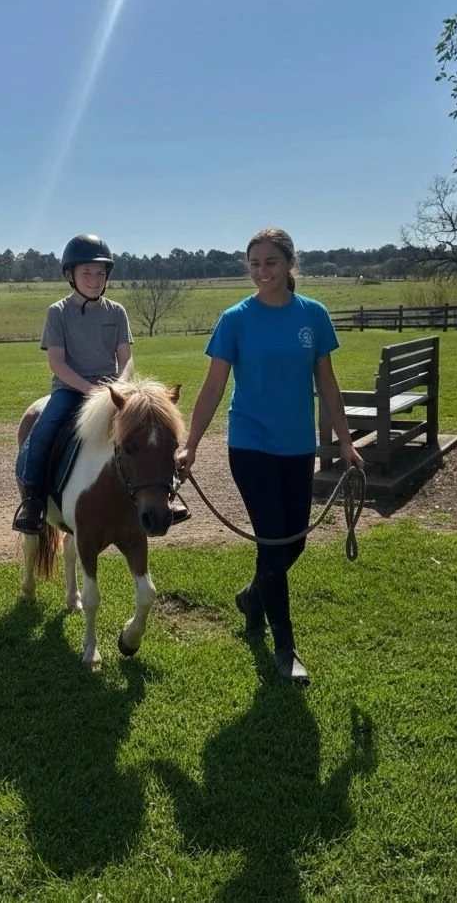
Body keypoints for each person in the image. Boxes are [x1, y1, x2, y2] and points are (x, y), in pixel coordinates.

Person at [174, 227, 363, 684]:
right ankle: (285, 646)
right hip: (250, 444)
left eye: (271, 263)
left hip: (298, 445)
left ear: (289, 264)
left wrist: (345, 440)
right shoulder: (235, 318)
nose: (262, 271)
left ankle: (253, 595)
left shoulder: (313, 316)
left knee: (293, 540)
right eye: (254, 263)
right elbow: (214, 386)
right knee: (274, 540)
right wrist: (191, 442)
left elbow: (327, 384)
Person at [13, 233, 133, 535]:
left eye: (100, 273)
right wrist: (89, 390)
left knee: (151, 424)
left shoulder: (117, 312)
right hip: (70, 389)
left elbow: (126, 359)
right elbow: (56, 362)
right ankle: (33, 501)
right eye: (87, 273)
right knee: (43, 429)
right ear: (70, 275)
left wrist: (118, 388)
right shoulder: (58, 312)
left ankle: (166, 495)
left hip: (111, 388)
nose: (94, 280)